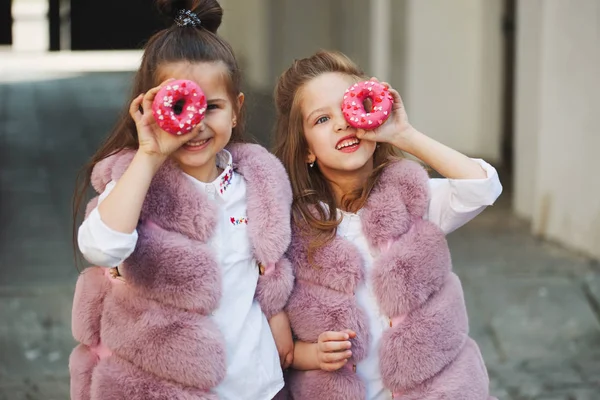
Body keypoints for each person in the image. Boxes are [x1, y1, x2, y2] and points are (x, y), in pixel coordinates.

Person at [69, 1, 294, 398]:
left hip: (254, 385)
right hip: (166, 386)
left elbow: (268, 274)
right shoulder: (135, 184)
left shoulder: (255, 186)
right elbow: (101, 248)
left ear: (237, 111)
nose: (196, 123)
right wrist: (149, 156)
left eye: (212, 106)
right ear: (147, 108)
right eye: (179, 106)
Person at [273, 50, 502, 399]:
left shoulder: (411, 199)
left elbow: (482, 187)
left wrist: (403, 134)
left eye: (350, 106)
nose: (341, 123)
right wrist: (309, 354)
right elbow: (276, 332)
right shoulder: (293, 226)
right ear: (306, 150)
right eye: (321, 119)